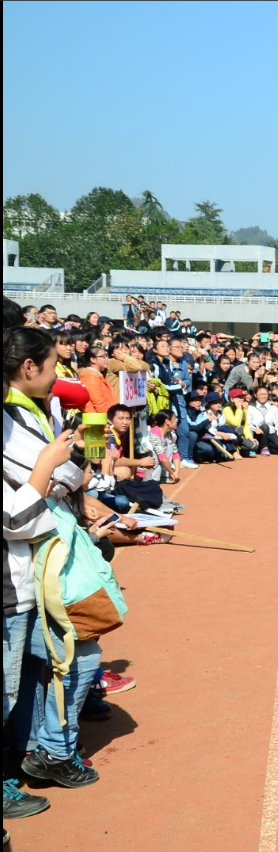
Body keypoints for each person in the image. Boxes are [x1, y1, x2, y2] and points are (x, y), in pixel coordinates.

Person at [2, 322, 100, 791]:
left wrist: (64, 472)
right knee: (62, 659)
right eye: (54, 362)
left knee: (35, 671)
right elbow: (22, 513)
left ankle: (42, 752)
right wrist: (54, 471)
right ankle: (46, 752)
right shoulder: (11, 418)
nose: (59, 369)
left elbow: (58, 481)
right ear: (27, 366)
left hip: (36, 563)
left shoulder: (32, 410)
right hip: (24, 568)